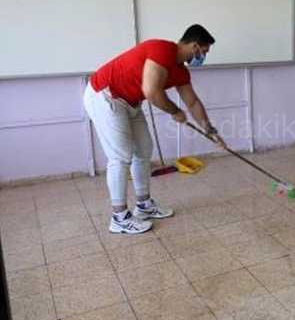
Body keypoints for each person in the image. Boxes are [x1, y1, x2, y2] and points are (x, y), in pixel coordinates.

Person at [83, 24, 224, 234]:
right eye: (203, 52)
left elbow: (192, 102)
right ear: (194, 46)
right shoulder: (161, 50)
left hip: (131, 103)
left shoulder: (180, 72)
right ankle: (119, 217)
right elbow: (151, 91)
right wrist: (175, 111)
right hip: (105, 96)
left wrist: (210, 130)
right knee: (121, 157)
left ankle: (143, 205)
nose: (202, 56)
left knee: (144, 150)